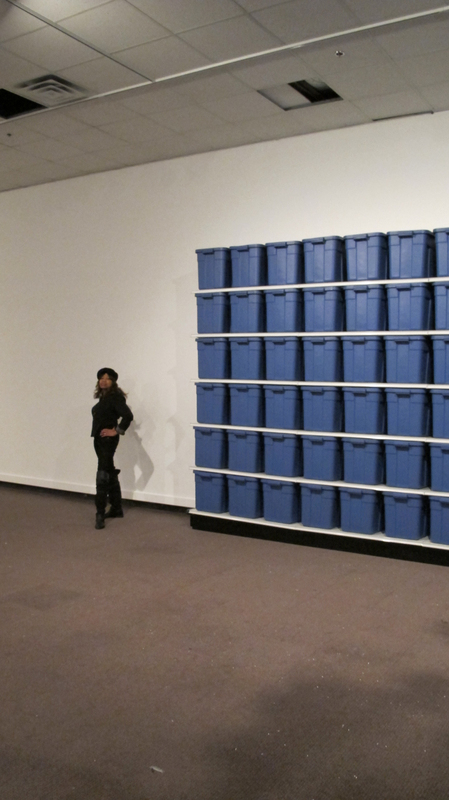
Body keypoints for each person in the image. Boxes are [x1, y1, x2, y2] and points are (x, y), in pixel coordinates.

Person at [91, 368, 133, 530]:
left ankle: (100, 514)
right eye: (101, 378)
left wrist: (116, 430)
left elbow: (128, 416)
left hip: (108, 440)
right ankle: (116, 508)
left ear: (113, 381)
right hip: (100, 440)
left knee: (102, 475)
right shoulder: (104, 397)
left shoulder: (115, 397)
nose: (103, 381)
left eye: (107, 378)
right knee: (108, 470)